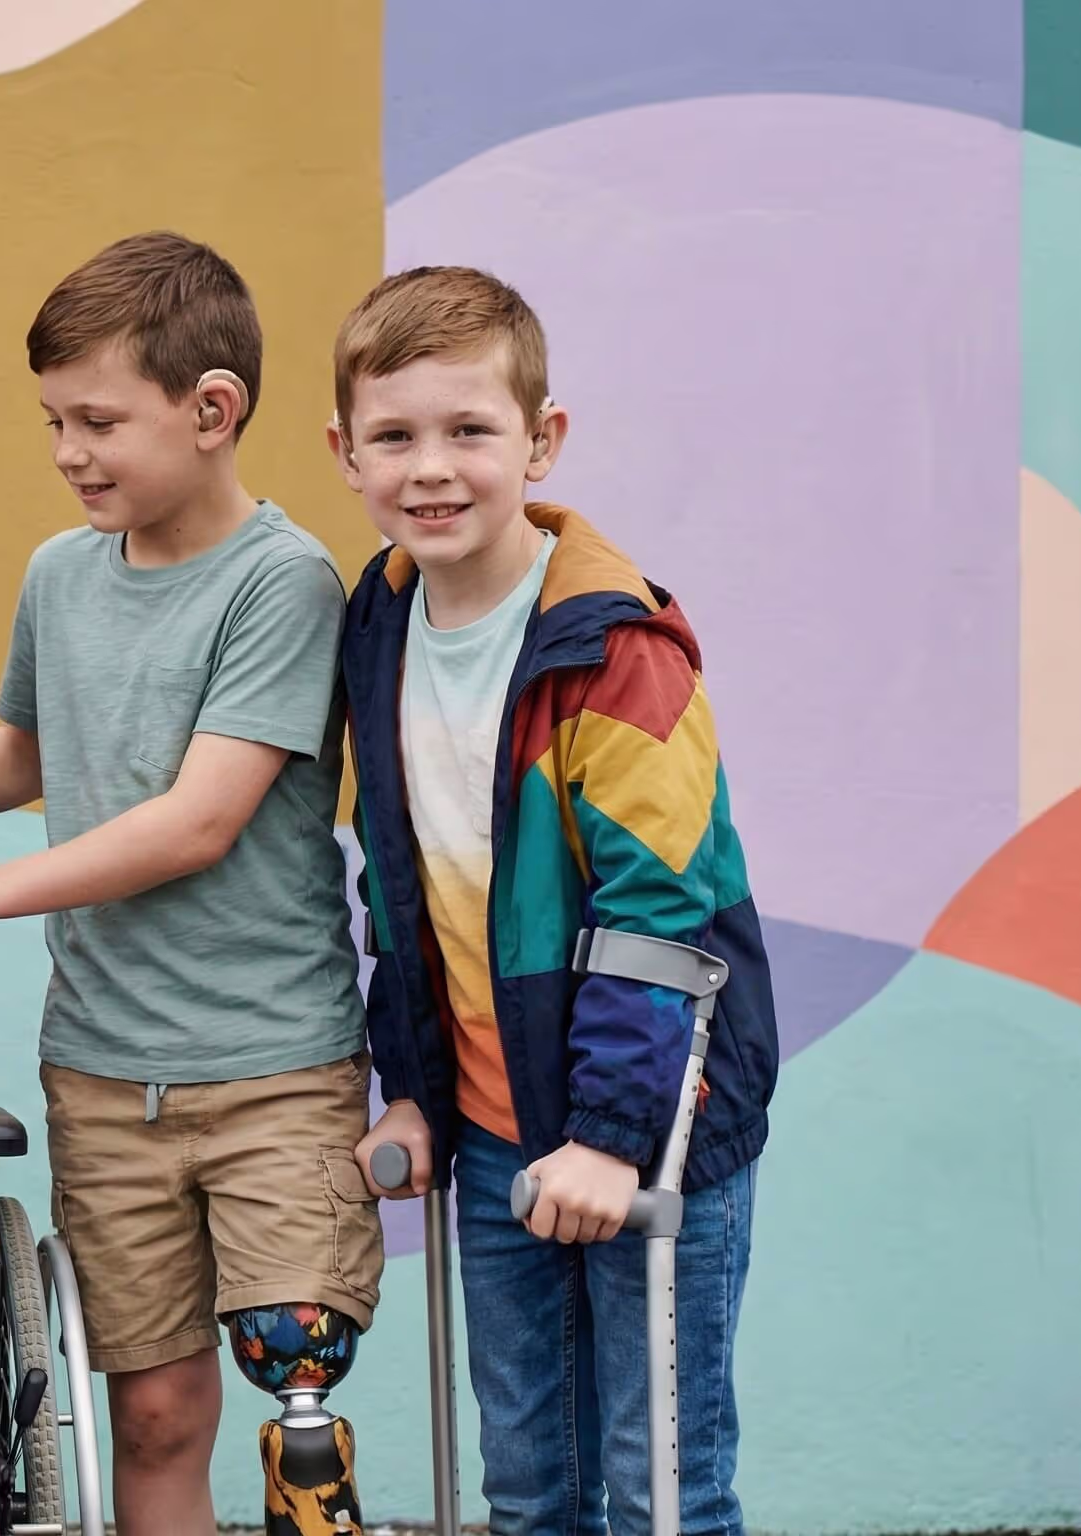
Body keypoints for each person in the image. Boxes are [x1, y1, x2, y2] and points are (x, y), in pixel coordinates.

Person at [0, 230, 385, 1533]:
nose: (71, 451)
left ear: (212, 411)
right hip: (102, 1070)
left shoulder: (282, 582)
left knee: (293, 1359)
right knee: (148, 1408)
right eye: (53, 422)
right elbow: (34, 745)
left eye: (97, 420)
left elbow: (198, 820)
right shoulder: (60, 575)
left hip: (270, 1067)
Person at [331, 265, 775, 1536]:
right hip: (486, 1125)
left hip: (646, 1125)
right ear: (343, 452)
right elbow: (399, 877)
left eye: (469, 431)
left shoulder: (611, 648)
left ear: (540, 439)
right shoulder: (382, 619)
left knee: (656, 1492)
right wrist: (409, 1083)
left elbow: (657, 917)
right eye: (394, 436)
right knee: (526, 1488)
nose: (432, 467)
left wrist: (605, 1135)